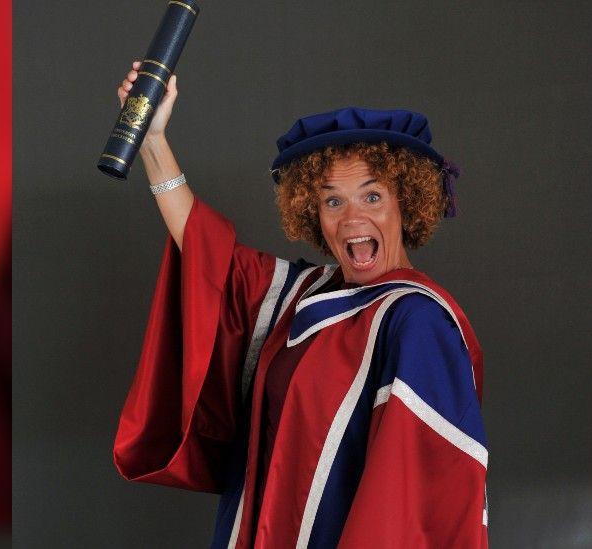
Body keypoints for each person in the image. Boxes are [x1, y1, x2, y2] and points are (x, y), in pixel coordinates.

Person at [112, 61, 488, 548]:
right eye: (333, 201)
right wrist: (153, 139)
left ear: (407, 203)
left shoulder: (416, 321)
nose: (352, 218)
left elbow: (411, 502)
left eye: (372, 196)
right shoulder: (304, 295)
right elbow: (209, 255)